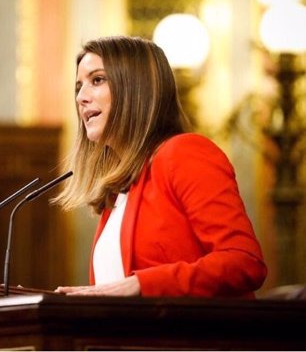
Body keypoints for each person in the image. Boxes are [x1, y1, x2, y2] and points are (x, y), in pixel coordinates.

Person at [52, 36, 267, 298]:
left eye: (97, 80)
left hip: (195, 338)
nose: (81, 98)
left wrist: (141, 284)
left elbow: (244, 262)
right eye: (78, 86)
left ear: (135, 88)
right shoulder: (120, 190)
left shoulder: (184, 153)